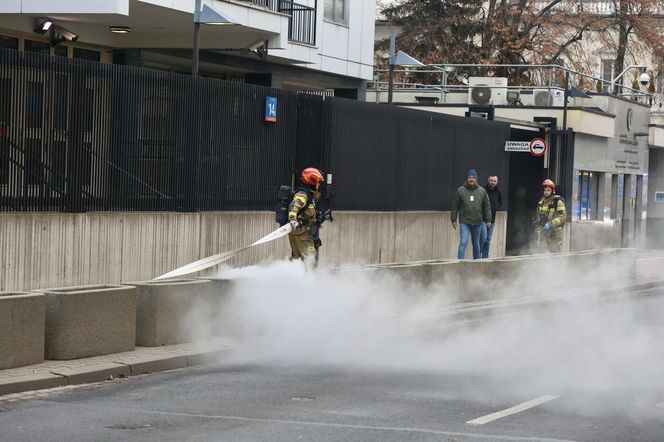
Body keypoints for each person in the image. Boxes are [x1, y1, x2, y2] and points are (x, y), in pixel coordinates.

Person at [451, 169, 492, 260]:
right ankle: (460, 262)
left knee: (476, 243)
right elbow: (455, 206)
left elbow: (487, 206)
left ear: (476, 179)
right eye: (470, 177)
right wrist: (453, 219)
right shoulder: (460, 190)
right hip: (465, 222)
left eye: (473, 177)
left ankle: (476, 262)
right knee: (463, 242)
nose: (471, 179)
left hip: (477, 222)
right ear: (467, 178)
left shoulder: (482, 191)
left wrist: (488, 220)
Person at [288, 167, 324, 263]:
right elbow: (294, 206)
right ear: (311, 180)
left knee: (299, 260)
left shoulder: (310, 195)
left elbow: (308, 212)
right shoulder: (303, 194)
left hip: (305, 232)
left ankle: (289, 275)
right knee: (308, 260)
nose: (318, 184)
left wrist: (316, 220)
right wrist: (292, 219)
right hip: (300, 232)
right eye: (317, 182)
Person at [535, 179, 567, 253]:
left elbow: (563, 218)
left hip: (554, 234)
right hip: (543, 233)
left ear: (552, 191)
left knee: (555, 254)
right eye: (545, 190)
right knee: (543, 254)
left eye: (548, 190)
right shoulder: (541, 202)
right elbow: (538, 215)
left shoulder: (558, 202)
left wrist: (550, 224)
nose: (546, 192)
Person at [480, 174, 503, 259]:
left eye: (494, 181)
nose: (493, 182)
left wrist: (496, 207)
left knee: (488, 239)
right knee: (483, 237)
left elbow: (501, 202)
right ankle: (478, 256)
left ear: (497, 182)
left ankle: (485, 257)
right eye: (491, 180)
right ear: (488, 180)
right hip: (483, 219)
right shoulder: (482, 191)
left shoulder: (498, 191)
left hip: (493, 220)